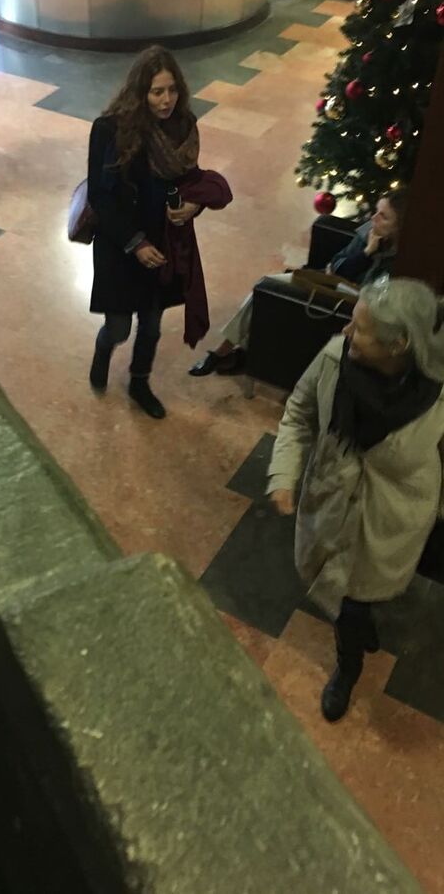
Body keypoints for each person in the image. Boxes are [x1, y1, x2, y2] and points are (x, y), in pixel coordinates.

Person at [268, 277, 444, 722]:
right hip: (332, 502)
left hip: (393, 519)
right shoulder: (334, 358)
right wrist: (283, 475)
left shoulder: (438, 393)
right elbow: (299, 413)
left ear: (398, 344)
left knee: (361, 593)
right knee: (348, 598)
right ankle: (351, 660)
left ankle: (355, 643)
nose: (346, 331)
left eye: (359, 328)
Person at [87, 46, 231, 419]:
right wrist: (135, 243)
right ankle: (104, 349)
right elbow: (100, 197)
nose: (167, 100)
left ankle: (140, 382)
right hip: (121, 244)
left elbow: (187, 180)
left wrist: (193, 205)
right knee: (119, 327)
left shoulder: (182, 126)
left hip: (163, 241)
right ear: (140, 92)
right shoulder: (109, 129)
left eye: (172, 90)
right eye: (157, 92)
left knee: (151, 326)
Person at [189, 187, 408, 376]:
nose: (373, 219)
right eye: (376, 211)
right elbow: (337, 264)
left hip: (340, 304)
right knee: (265, 288)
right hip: (326, 283)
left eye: (383, 216)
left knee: (268, 293)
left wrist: (358, 261)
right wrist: (366, 252)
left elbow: (369, 295)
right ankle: (229, 351)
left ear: (400, 227)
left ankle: (226, 354)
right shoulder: (369, 234)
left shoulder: (401, 262)